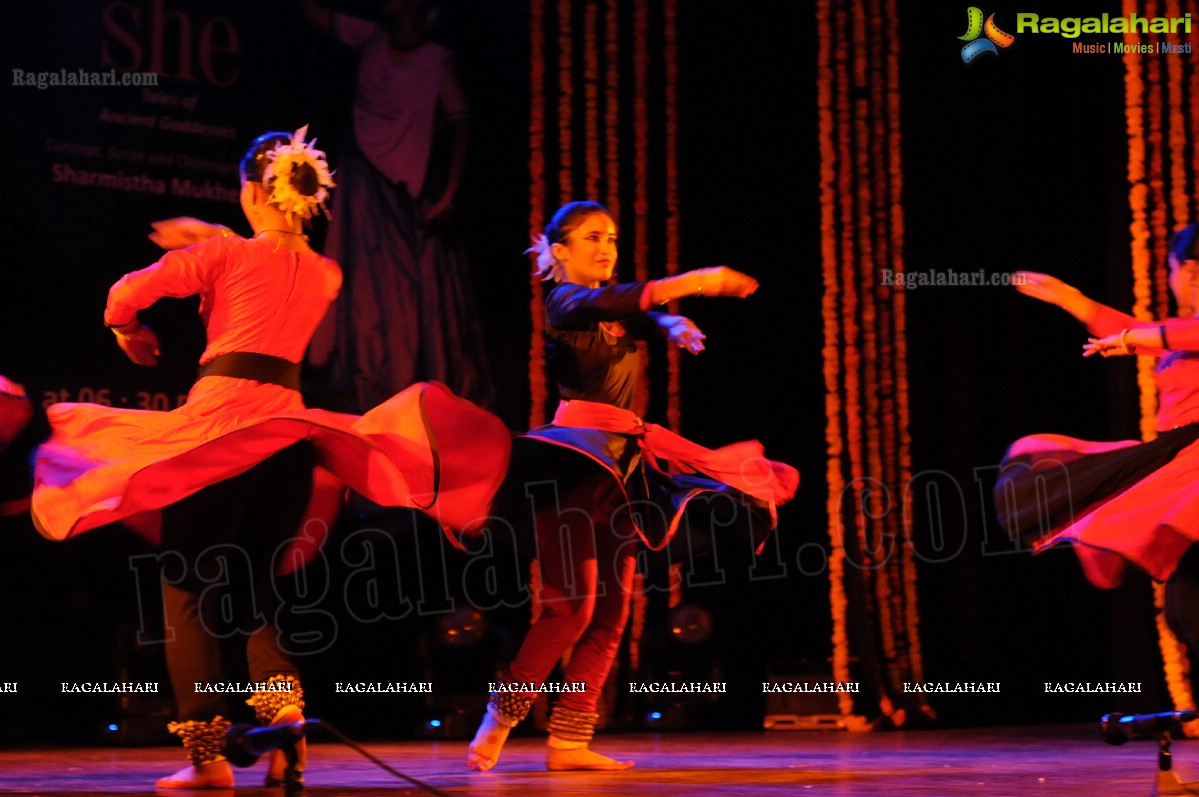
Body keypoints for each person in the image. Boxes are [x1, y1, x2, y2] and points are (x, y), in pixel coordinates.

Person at [32, 127, 510, 789]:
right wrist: (212, 233)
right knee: (256, 593)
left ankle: (209, 755)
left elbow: (124, 292)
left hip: (220, 432)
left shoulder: (222, 256)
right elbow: (267, 254)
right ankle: (286, 737)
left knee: (188, 590)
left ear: (255, 191)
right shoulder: (324, 271)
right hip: (286, 437)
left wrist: (129, 330)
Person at [465, 201, 798, 772]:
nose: (607, 248)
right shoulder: (567, 301)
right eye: (593, 238)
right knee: (570, 610)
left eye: (613, 239)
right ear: (560, 252)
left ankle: (570, 739)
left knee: (613, 612)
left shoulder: (612, 307)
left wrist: (672, 321)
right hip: (570, 465)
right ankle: (500, 718)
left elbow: (638, 313)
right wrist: (697, 283)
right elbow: (620, 301)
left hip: (622, 467)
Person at [995, 224, 1199, 659]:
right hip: (1175, 455)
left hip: (1192, 464)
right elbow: (1151, 333)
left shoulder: (1184, 335)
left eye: (1172, 268)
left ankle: (1103, 532)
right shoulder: (1179, 335)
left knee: (1190, 596)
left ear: (1190, 271)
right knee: (1187, 600)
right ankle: (1102, 535)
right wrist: (1071, 299)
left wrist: (1131, 339)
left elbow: (1156, 335)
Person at [303, 0, 493, 411]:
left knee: (406, 295)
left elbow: (460, 121)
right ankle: (364, 385)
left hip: (409, 191)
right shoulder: (368, 36)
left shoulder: (434, 60)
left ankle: (406, 394)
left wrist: (449, 192)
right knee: (363, 289)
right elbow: (314, 13)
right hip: (364, 181)